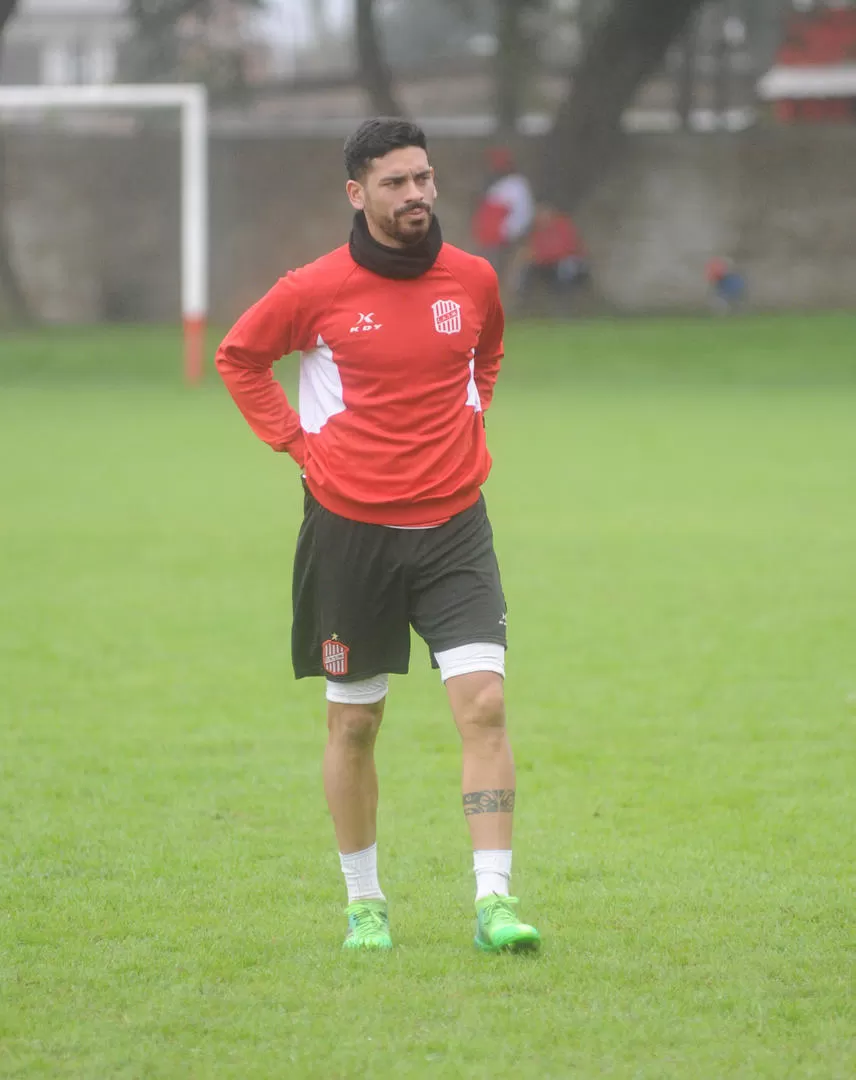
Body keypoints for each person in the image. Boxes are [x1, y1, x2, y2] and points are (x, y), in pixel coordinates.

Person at [215, 118, 540, 955]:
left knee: (487, 704)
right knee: (355, 724)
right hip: (350, 534)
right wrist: (297, 443)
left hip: (457, 529)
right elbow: (239, 358)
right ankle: (365, 904)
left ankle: (493, 903)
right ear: (357, 194)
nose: (417, 195)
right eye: (396, 183)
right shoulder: (313, 289)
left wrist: (471, 416)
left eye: (424, 178)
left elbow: (488, 353)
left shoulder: (471, 279)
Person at [470, 146, 535, 285]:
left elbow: (523, 215)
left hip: (502, 238)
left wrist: (505, 232)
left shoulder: (516, 185)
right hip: (489, 238)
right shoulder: (497, 185)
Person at [513, 202, 591, 311]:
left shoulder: (562, 225)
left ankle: (565, 306)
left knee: (566, 268)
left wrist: (540, 255)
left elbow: (566, 249)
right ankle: (523, 303)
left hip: (567, 262)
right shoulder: (537, 229)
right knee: (526, 268)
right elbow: (533, 249)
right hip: (548, 263)